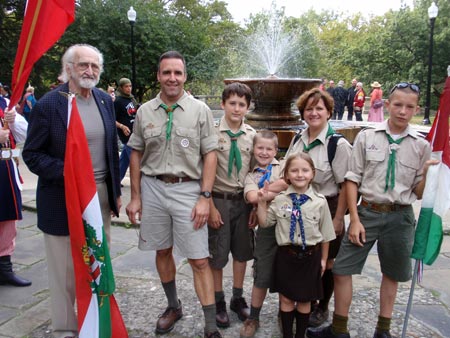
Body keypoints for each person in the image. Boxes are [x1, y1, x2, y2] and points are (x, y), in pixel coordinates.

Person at [306, 83, 437, 338]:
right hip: (367, 212)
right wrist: (353, 219)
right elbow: (352, 179)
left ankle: (383, 329)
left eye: (409, 107)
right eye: (397, 105)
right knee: (342, 269)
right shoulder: (368, 137)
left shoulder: (421, 146)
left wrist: (429, 175)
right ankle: (339, 328)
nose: (402, 111)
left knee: (392, 274)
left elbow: (419, 193)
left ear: (417, 109)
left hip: (400, 215)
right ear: (387, 105)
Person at [22, 44, 121, 338]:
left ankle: (95, 320)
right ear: (69, 69)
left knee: (98, 261)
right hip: (62, 198)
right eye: (83, 65)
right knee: (65, 270)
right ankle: (65, 327)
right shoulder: (51, 104)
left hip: (99, 198)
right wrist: (69, 173)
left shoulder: (104, 100)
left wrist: (115, 191)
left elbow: (110, 150)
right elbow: (32, 154)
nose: (89, 71)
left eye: (94, 66)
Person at [125, 51, 221, 338]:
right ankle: (173, 306)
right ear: (158, 75)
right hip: (153, 188)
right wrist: (135, 195)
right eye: (167, 72)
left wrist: (205, 197)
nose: (172, 78)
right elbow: (136, 152)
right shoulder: (144, 111)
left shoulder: (200, 110)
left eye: (177, 73)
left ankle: (211, 326)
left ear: (185, 76)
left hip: (188, 189)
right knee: (162, 250)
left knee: (199, 259)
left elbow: (211, 155)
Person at [284, 88, 352, 328]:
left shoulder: (338, 144)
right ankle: (304, 299)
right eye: (309, 109)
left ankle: (321, 306)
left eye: (319, 109)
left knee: (328, 260)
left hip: (328, 207)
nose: (313, 113)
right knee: (306, 256)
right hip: (300, 208)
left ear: (329, 112)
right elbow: (286, 174)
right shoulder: (297, 139)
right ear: (303, 112)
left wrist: (338, 219)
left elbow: (346, 185)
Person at [257, 152, 336, 338]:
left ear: (312, 173)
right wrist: (261, 202)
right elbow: (265, 223)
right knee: (285, 298)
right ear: (287, 175)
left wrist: (324, 259)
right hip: (286, 256)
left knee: (305, 300)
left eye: (304, 170)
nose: (300, 174)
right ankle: (287, 335)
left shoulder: (320, 202)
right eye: (294, 170)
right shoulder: (280, 200)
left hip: (311, 256)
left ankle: (300, 335)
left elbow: (326, 235)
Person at [207, 82, 256, 328]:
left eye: (242, 105)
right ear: (223, 104)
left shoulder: (252, 135)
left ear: (247, 107)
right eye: (232, 103)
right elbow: (202, 171)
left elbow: (257, 171)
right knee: (217, 254)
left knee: (242, 253)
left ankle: (238, 298)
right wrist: (210, 206)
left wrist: (256, 207)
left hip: (243, 202)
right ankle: (218, 301)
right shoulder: (212, 133)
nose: (237, 109)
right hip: (219, 200)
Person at [239, 130, 282, 337]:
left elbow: (294, 183)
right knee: (261, 274)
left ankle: (286, 314)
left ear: (276, 150)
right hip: (266, 231)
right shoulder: (250, 175)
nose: (264, 152)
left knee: (288, 272)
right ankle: (253, 317)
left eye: (269, 148)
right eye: (260, 148)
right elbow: (251, 196)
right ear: (254, 149)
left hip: (288, 227)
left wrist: (264, 193)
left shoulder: (283, 168)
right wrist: (276, 191)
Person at [0, 107, 31, 287]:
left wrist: (12, 120)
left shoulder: (4, 103)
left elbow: (24, 134)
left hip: (6, 168)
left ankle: (4, 269)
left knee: (8, 221)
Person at [114, 78, 138, 184]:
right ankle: (139, 182)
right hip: (126, 135)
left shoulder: (131, 99)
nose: (129, 89)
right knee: (135, 160)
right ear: (121, 87)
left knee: (124, 160)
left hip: (134, 132)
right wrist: (122, 126)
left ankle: (115, 181)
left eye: (130, 86)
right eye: (126, 86)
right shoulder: (118, 101)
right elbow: (111, 118)